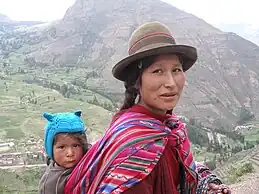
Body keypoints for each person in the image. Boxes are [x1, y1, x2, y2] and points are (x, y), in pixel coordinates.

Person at [64, 22, 231, 194]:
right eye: (157, 71)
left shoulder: (168, 129)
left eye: (176, 70)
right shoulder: (138, 152)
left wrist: (203, 181)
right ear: (137, 81)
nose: (171, 83)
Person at [39, 110, 89, 194]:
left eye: (76, 145)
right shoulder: (51, 185)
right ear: (51, 149)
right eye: (62, 147)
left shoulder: (91, 159)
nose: (70, 153)